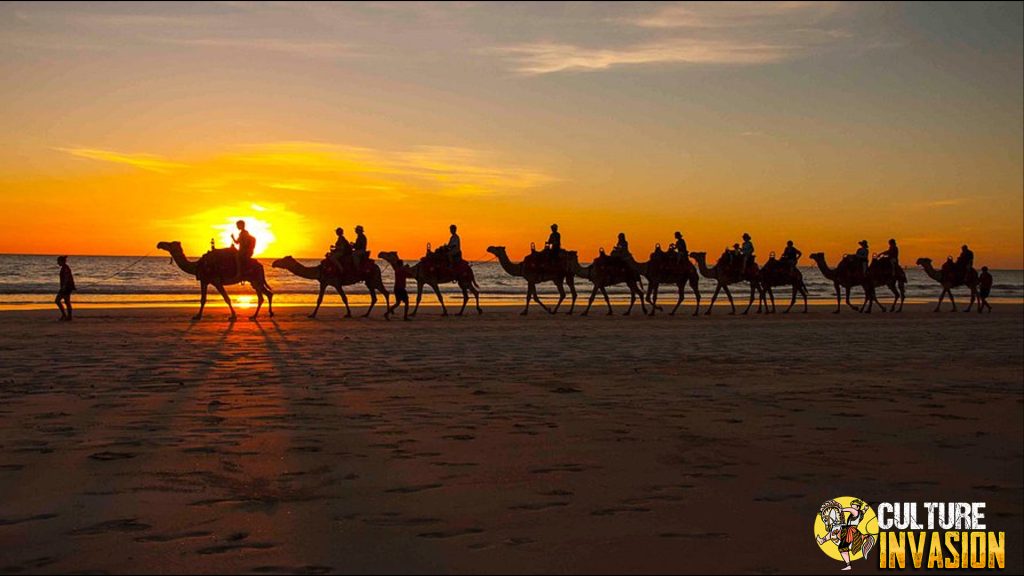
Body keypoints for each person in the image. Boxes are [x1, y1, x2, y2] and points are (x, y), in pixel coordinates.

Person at [387, 254, 412, 321]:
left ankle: (387, 313)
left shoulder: (398, 270)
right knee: (406, 302)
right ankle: (405, 317)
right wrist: (406, 268)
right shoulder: (400, 270)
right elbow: (408, 274)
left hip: (397, 288)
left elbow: (407, 274)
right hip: (400, 288)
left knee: (397, 303)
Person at [56, 255, 75, 321]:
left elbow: (66, 278)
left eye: (58, 261)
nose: (57, 263)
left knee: (58, 300)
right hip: (66, 287)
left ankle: (65, 316)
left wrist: (64, 286)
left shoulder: (65, 268)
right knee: (66, 302)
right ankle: (68, 316)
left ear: (62, 261)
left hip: (66, 288)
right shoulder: (64, 267)